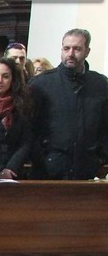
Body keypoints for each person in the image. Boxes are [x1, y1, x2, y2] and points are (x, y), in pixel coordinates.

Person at [29, 28, 108, 180]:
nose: (70, 54)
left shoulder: (101, 85)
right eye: (66, 48)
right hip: (48, 170)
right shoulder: (41, 83)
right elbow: (29, 127)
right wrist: (43, 158)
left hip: (87, 170)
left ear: (87, 51)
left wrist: (99, 157)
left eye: (77, 49)